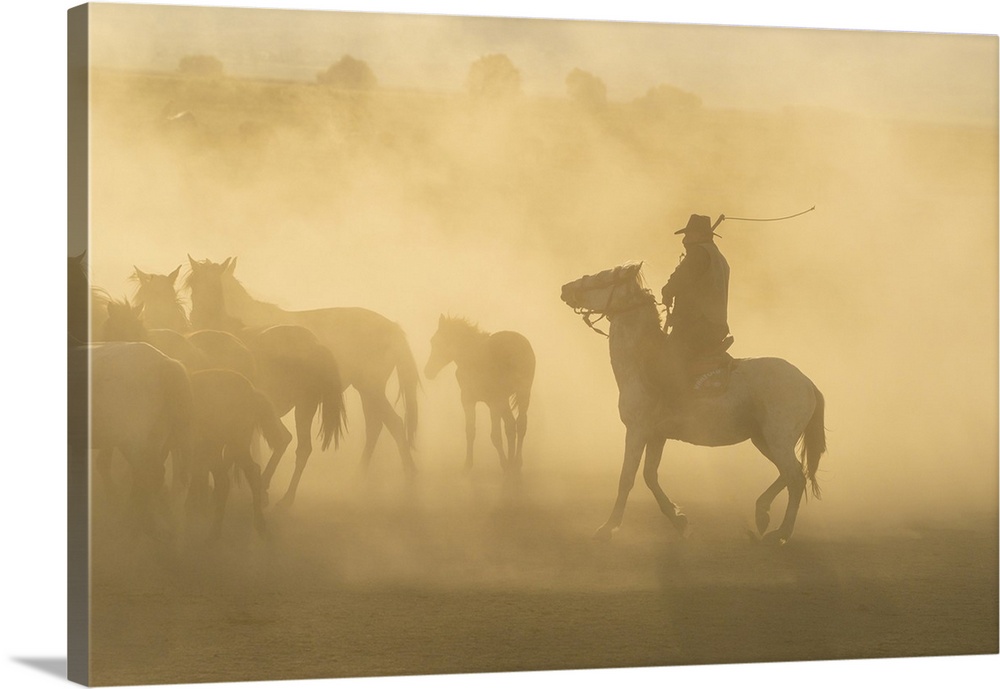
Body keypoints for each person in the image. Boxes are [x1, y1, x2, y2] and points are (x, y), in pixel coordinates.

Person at [657, 214, 733, 396]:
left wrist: (667, 291)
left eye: (689, 234)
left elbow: (678, 281)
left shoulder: (699, 254)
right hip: (715, 325)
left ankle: (679, 403)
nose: (684, 240)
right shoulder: (718, 258)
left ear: (699, 235)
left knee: (665, 361)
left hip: (697, 325)